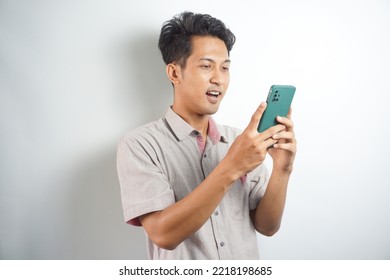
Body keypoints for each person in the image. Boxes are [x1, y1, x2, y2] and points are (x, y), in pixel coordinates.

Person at [116, 11, 297, 260]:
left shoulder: (241, 141)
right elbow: (163, 235)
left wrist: (282, 170)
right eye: (206, 66)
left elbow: (267, 226)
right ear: (174, 73)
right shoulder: (140, 144)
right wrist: (232, 166)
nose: (218, 79)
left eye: (225, 68)